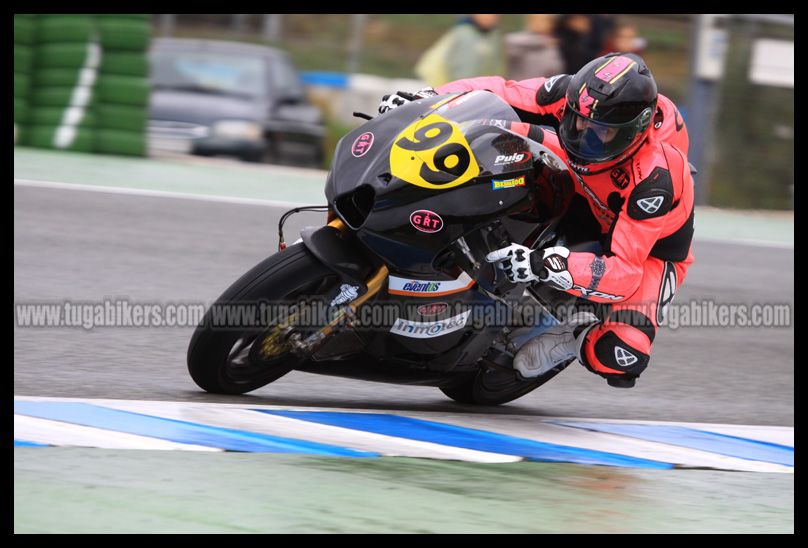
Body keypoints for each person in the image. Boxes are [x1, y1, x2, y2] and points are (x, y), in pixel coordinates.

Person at [378, 52, 694, 388]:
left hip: (644, 246)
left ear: (635, 131)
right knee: (487, 133)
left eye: (600, 133)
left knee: (620, 355)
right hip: (578, 181)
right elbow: (499, 90)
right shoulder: (577, 96)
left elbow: (625, 271)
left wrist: (543, 263)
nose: (583, 135)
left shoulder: (655, 180)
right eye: (577, 123)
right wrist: (428, 99)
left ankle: (575, 331)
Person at [413, 14, 505, 88]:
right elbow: (462, 72)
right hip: (442, 86)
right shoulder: (466, 34)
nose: (489, 17)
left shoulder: (491, 35)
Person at [504, 14, 563, 81]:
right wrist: (542, 42)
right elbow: (509, 42)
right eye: (536, 19)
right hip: (519, 87)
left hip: (542, 88)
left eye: (543, 20)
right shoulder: (519, 41)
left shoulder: (551, 45)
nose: (539, 23)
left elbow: (556, 69)